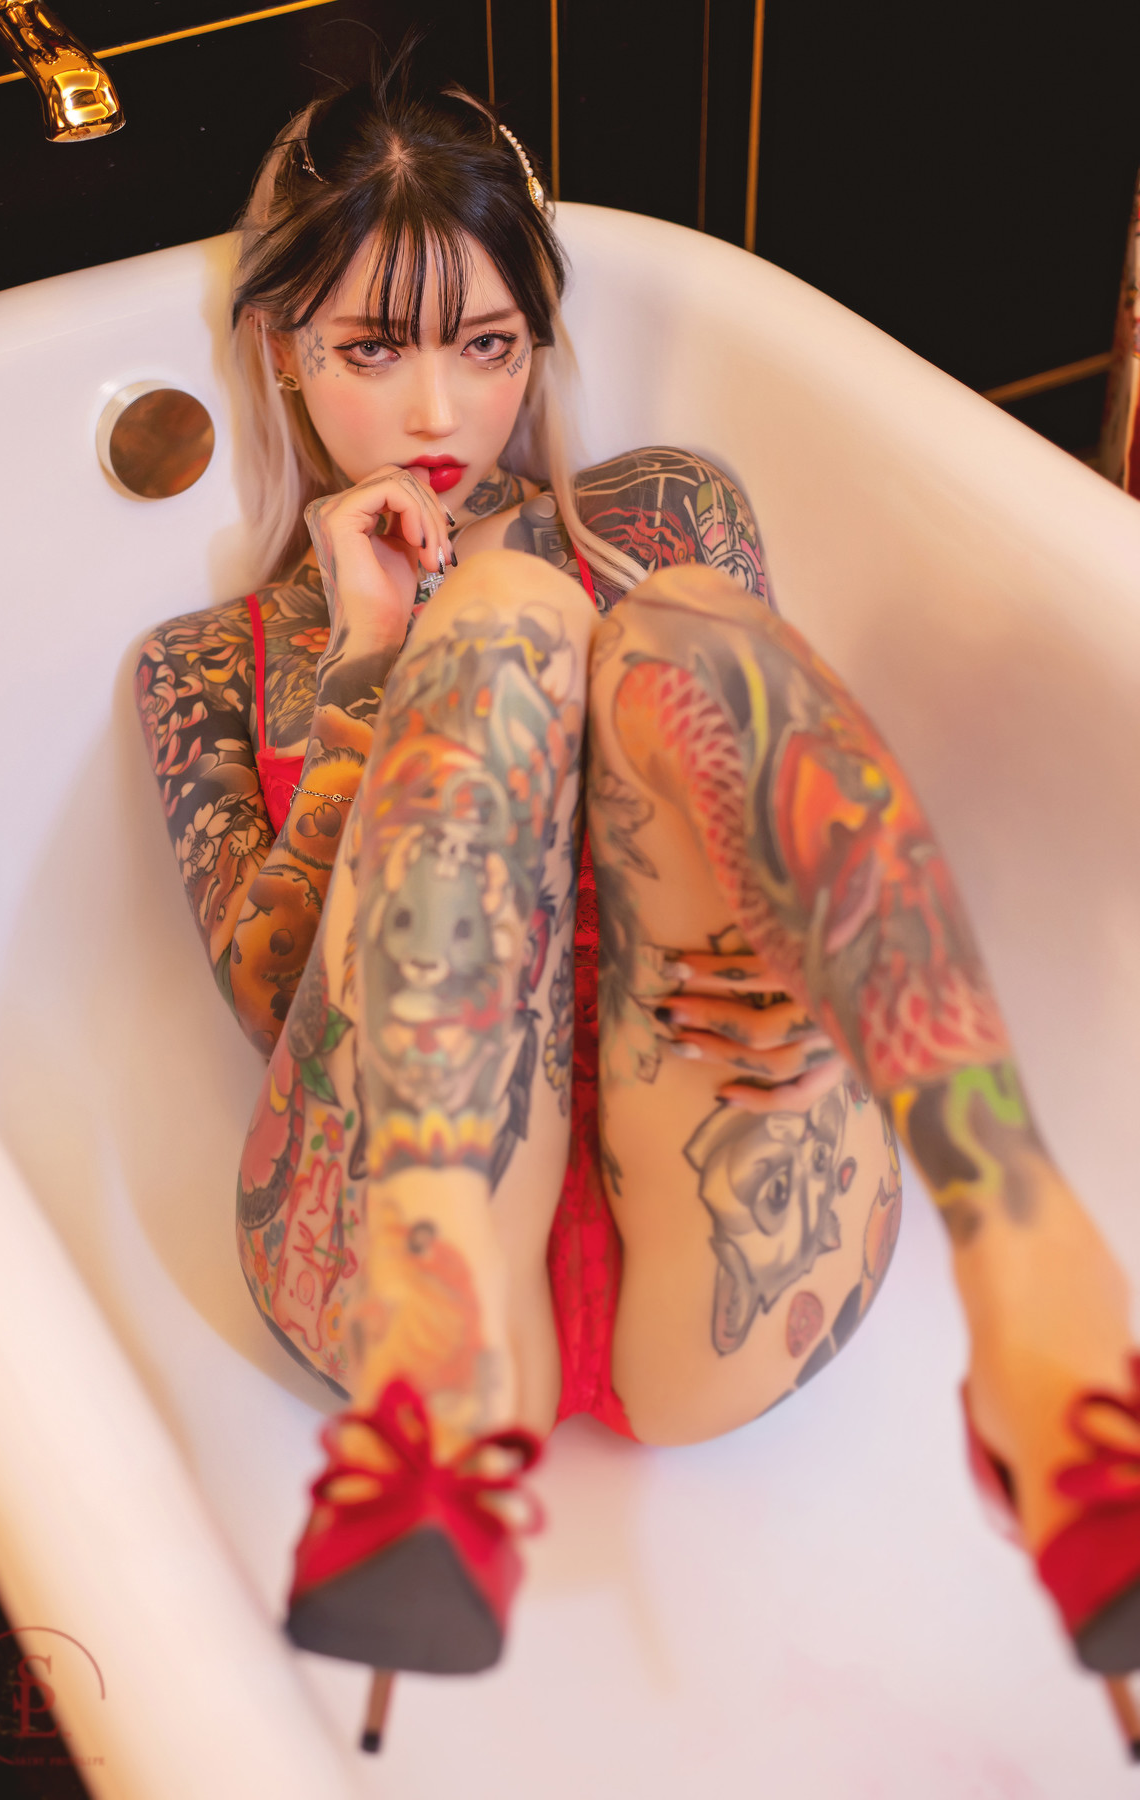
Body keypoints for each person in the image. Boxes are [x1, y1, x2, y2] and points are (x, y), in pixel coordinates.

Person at [135, 48, 1140, 1748]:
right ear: (283, 348)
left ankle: (1036, 1286)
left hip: (728, 1218)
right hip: (388, 1240)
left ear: (540, 342)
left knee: (675, 623)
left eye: (488, 344)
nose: (440, 414)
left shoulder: (670, 509)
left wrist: (805, 983)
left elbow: (772, 801)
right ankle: (456, 1341)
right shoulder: (202, 668)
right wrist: (369, 661)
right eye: (375, 349)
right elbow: (276, 1006)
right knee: (505, 617)